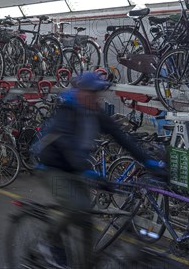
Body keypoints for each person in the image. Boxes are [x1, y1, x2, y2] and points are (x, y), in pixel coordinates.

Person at [31, 72, 167, 269]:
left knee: (86, 221)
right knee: (77, 206)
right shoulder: (67, 110)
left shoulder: (95, 112)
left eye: (97, 93)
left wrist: (149, 162)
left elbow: (122, 138)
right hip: (51, 167)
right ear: (79, 92)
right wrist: (86, 170)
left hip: (75, 169)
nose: (96, 98)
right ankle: (50, 242)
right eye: (91, 92)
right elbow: (66, 143)